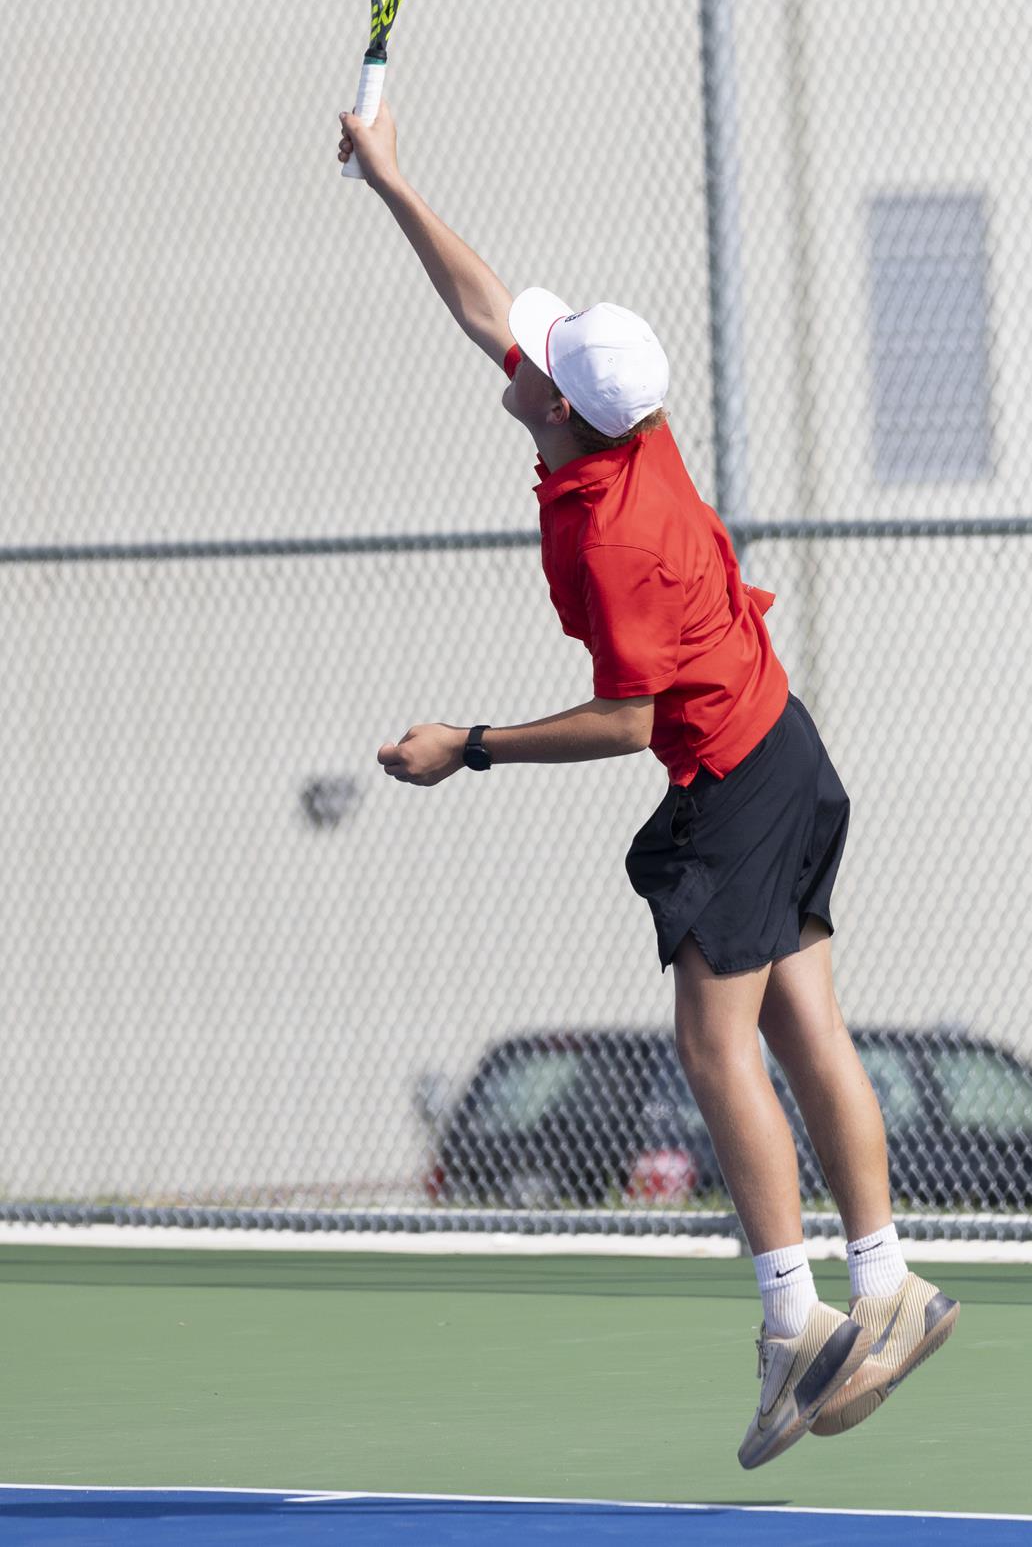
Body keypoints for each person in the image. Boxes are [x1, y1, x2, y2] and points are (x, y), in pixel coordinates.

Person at [337, 102, 960, 1470]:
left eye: (539, 359)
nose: (521, 350)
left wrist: (470, 747)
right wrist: (391, 180)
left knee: (712, 1048)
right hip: (788, 747)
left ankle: (794, 1323)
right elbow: (482, 302)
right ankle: (889, 1285)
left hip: (732, 783)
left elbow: (628, 721)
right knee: (806, 1028)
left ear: (556, 403)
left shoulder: (620, 536)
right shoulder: (620, 428)